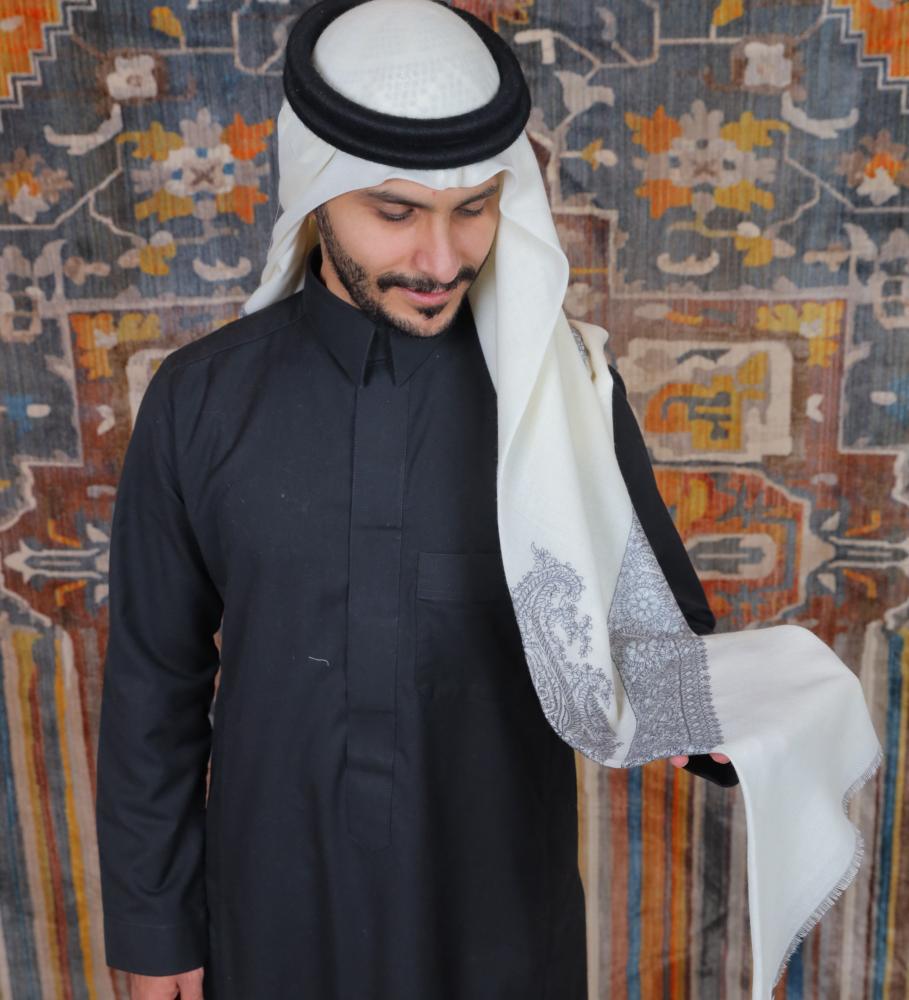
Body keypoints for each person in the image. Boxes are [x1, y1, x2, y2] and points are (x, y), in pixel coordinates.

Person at [93, 2, 790, 998]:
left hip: (500, 918)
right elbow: (153, 686)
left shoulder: (563, 397)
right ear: (317, 193)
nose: (441, 259)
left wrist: (722, 722)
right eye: (396, 212)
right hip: (275, 913)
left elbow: (653, 632)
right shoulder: (198, 402)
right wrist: (155, 928)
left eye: (473, 207)